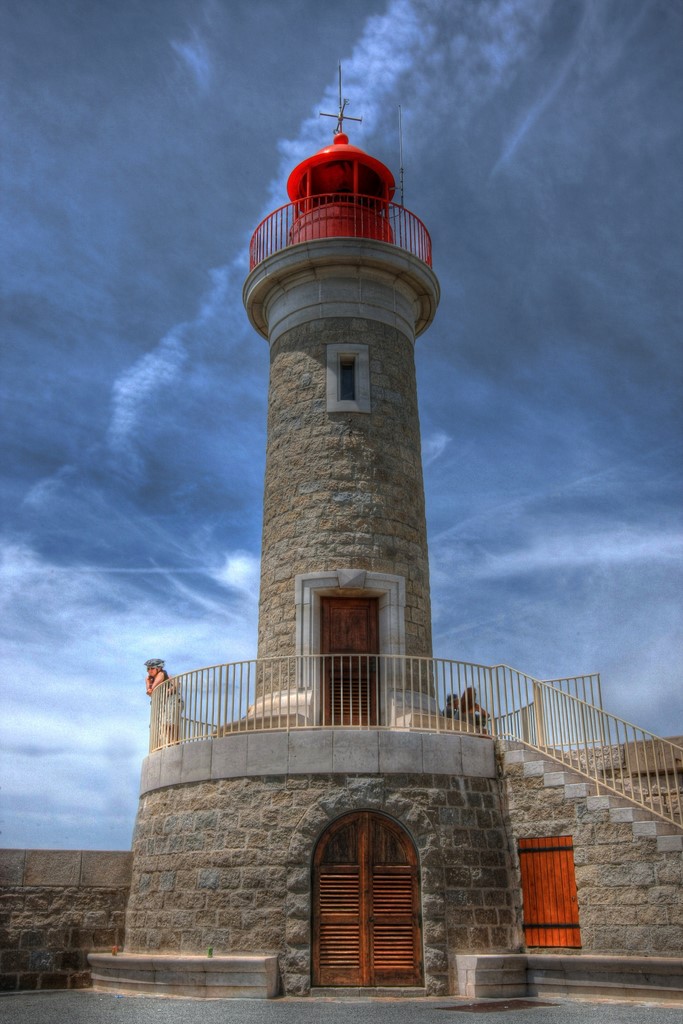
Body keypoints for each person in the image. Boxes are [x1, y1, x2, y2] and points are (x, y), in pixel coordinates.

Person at [145, 658, 181, 745]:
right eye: (148, 669)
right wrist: (149, 685)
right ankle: (168, 743)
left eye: (152, 668)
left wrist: (171, 689)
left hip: (173, 700)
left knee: (169, 723)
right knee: (162, 724)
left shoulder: (162, 674)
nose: (149, 671)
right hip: (165, 703)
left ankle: (174, 743)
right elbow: (149, 693)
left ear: (159, 668)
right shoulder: (149, 679)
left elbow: (177, 684)